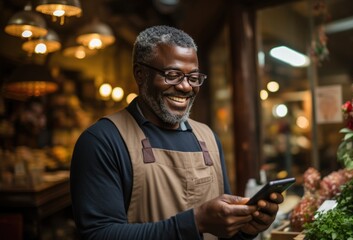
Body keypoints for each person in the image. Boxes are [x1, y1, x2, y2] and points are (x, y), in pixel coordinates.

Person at [70, 25, 283, 240]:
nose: (185, 87)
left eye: (193, 77)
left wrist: (244, 230)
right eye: (172, 75)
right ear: (140, 74)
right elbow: (98, 235)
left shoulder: (208, 138)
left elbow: (221, 232)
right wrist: (195, 222)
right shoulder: (103, 141)